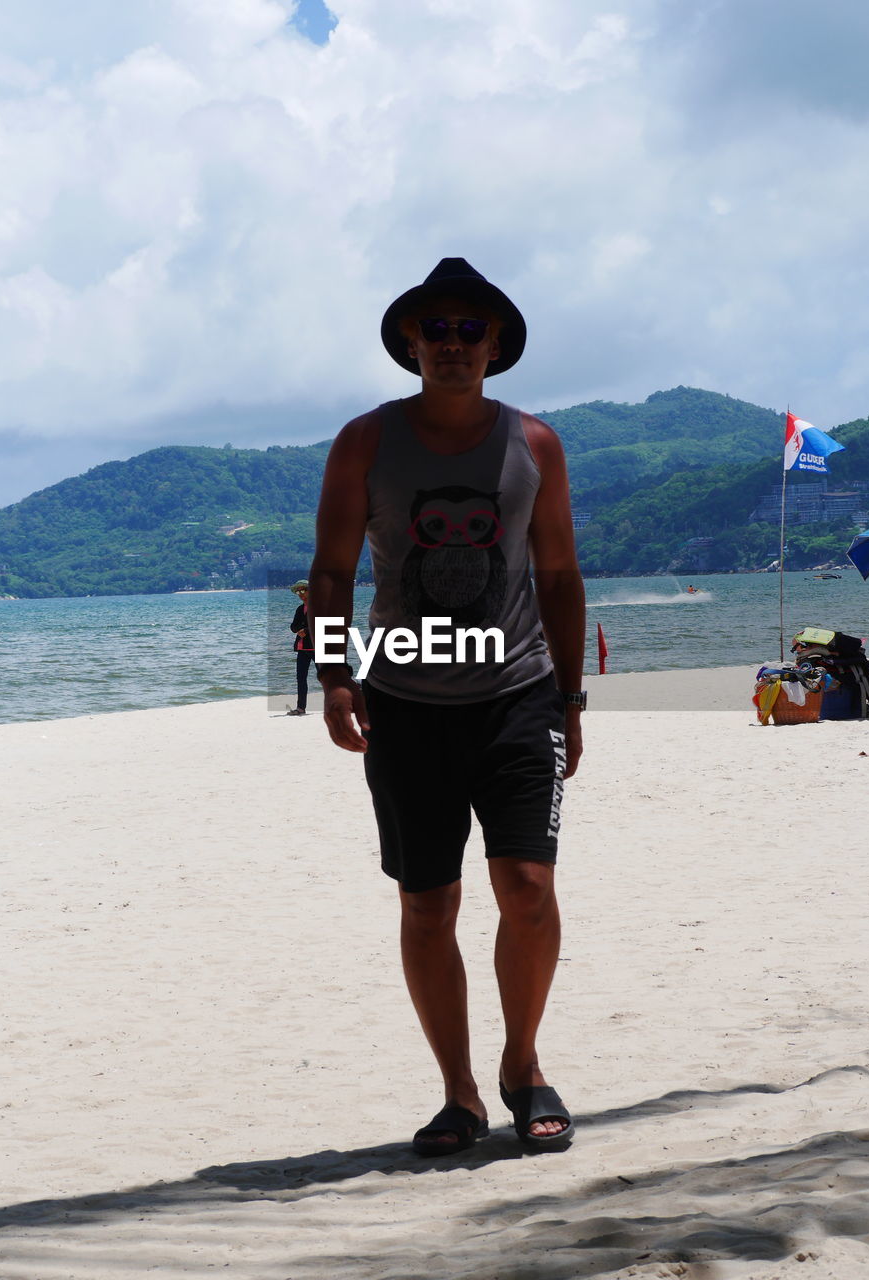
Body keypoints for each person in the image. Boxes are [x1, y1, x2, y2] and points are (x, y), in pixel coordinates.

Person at [308, 258, 586, 1156]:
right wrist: (334, 679)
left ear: (495, 345)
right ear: (409, 345)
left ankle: (523, 1065)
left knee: (528, 889)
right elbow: (329, 573)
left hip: (517, 697)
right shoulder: (364, 441)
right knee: (428, 905)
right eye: (437, 330)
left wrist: (571, 699)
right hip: (405, 701)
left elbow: (558, 575)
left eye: (471, 330)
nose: (453, 344)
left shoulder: (533, 443)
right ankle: (459, 1093)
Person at [287, 580, 313, 715]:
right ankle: (301, 708)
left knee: (327, 678)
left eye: (303, 591)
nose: (300, 594)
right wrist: (299, 630)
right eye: (298, 592)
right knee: (301, 678)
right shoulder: (299, 609)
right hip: (302, 649)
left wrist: (306, 631)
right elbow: (293, 626)